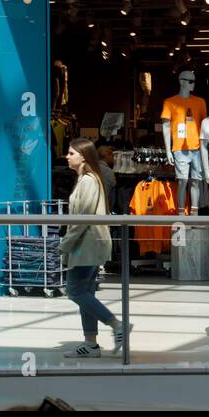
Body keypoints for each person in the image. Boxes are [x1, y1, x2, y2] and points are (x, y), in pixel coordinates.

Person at [59, 138, 129, 358]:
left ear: (83, 156)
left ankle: (118, 326)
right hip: (87, 244)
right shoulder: (86, 179)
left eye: (71, 153)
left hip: (86, 245)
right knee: (85, 292)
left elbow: (83, 219)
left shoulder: (89, 180)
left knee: (75, 290)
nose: (67, 156)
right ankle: (91, 343)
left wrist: (65, 244)